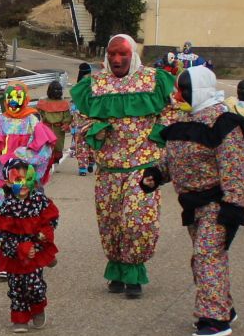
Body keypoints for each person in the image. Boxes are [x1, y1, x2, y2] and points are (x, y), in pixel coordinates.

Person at [69, 32, 177, 299]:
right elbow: (79, 119)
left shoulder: (153, 80)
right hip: (108, 169)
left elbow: (172, 111)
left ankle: (134, 271)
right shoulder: (93, 84)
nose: (117, 59)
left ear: (133, 55)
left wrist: (158, 134)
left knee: (137, 221)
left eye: (123, 54)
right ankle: (116, 271)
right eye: (112, 54)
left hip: (143, 165)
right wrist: (94, 129)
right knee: (111, 222)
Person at [145, 66, 244, 336]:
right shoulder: (181, 122)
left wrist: (233, 205)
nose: (177, 94)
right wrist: (156, 175)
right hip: (192, 205)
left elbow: (233, 167)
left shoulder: (223, 122)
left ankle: (214, 318)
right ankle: (222, 305)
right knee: (203, 259)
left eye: (183, 89)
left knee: (206, 255)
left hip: (218, 203)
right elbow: (172, 159)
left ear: (199, 90)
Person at [0, 83, 59, 278]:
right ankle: (5, 259)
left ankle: (35, 252)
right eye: (9, 97)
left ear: (25, 98)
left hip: (28, 179)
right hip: (5, 180)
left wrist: (21, 158)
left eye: (17, 97)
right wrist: (3, 168)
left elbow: (44, 149)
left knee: (31, 216)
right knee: (4, 216)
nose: (13, 102)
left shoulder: (33, 121)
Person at [0, 155, 59, 331]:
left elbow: (51, 219)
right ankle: (20, 318)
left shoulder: (39, 201)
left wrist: (44, 235)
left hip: (36, 247)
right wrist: (18, 248)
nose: (23, 185)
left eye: (27, 179)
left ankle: (37, 308)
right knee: (16, 286)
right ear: (7, 182)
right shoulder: (7, 207)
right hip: (15, 253)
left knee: (34, 284)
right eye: (17, 179)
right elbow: (2, 233)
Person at [32, 78, 74, 175]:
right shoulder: (43, 102)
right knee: (46, 147)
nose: (57, 92)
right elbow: (38, 114)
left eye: (59, 90)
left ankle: (55, 162)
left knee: (58, 147)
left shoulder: (64, 103)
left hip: (58, 129)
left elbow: (67, 116)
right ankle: (46, 164)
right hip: (46, 128)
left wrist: (66, 124)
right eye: (55, 90)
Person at [71, 62, 97, 175]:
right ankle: (83, 167)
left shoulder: (82, 87)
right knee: (84, 143)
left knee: (89, 143)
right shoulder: (94, 86)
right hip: (84, 120)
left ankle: (89, 163)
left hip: (88, 120)